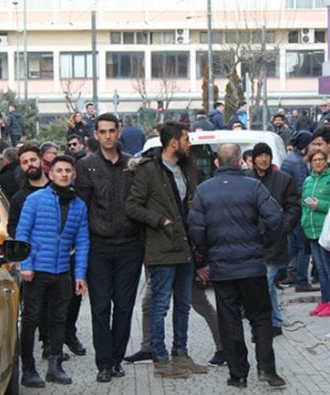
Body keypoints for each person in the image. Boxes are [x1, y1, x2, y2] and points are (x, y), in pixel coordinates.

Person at [188, 143, 285, 389]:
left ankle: (238, 374)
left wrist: (209, 253)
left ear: (217, 163)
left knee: (229, 319)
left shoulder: (203, 191)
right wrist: (262, 243)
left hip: (222, 268)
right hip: (252, 265)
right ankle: (267, 369)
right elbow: (276, 217)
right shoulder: (254, 187)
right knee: (261, 318)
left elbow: (196, 230)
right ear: (242, 161)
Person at [125, 121, 208, 378]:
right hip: (162, 246)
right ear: (173, 142)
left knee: (183, 305)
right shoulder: (149, 170)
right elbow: (132, 206)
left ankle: (180, 354)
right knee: (160, 305)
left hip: (185, 246)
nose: (189, 144)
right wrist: (161, 221)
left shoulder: (187, 168)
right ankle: (159, 358)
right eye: (186, 139)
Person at [75, 113, 144, 383]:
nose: (107, 136)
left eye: (111, 131)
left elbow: (142, 202)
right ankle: (103, 363)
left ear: (118, 133)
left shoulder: (132, 164)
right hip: (99, 246)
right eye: (102, 131)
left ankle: (116, 360)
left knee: (125, 307)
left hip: (130, 245)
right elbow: (82, 207)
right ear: (95, 134)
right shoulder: (86, 165)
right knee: (101, 307)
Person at [16, 155, 89, 388]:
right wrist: (26, 265)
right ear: (51, 174)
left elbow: (83, 241)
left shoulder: (79, 204)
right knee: (31, 319)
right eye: (60, 170)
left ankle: (55, 366)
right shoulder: (35, 199)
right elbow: (22, 234)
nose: (64, 174)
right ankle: (28, 369)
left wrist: (80, 274)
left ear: (73, 174)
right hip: (36, 270)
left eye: (68, 170)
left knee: (59, 319)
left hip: (61, 272)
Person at [246, 142, 301, 336]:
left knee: (264, 282)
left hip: (274, 241)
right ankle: (274, 321)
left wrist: (283, 227)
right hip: (251, 241)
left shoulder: (283, 180)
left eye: (266, 155)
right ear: (252, 159)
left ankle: (263, 323)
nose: (263, 159)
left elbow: (294, 207)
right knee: (265, 285)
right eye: (259, 155)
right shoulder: (246, 179)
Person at [301, 146, 330, 317]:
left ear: (326, 162)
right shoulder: (308, 181)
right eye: (314, 160)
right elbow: (303, 203)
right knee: (321, 270)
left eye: (320, 160)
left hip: (327, 232)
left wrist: (320, 206)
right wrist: (304, 221)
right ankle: (324, 300)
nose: (317, 163)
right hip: (312, 231)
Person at [279, 131, 317, 292]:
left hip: (288, 209)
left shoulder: (289, 159)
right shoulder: (299, 163)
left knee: (292, 246)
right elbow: (302, 189)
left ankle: (278, 274)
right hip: (299, 210)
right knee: (303, 247)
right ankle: (301, 280)